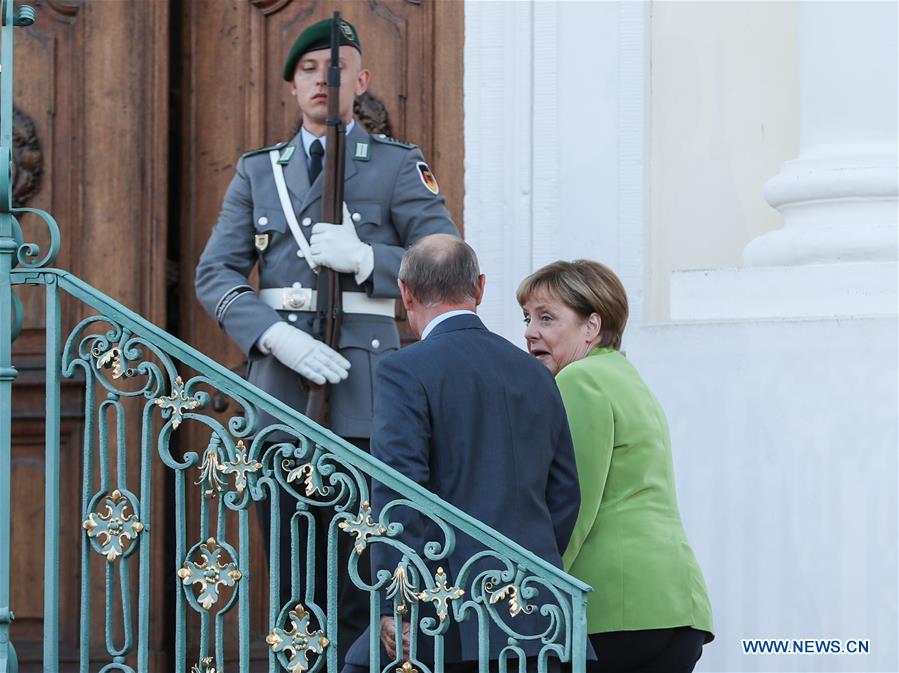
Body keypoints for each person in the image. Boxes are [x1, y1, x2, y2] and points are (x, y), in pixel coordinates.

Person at [194, 16, 459, 667]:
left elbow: (446, 260)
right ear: (291, 86)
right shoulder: (260, 173)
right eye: (308, 70)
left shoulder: (396, 166)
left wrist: (367, 256)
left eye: (333, 68)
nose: (320, 80)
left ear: (359, 81)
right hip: (281, 396)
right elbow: (215, 273)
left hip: (365, 398)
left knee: (359, 582)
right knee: (291, 582)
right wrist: (273, 336)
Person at [343, 235, 580, 673]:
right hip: (534, 612)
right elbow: (565, 494)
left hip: (447, 614)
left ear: (405, 293)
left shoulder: (402, 369)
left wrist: (397, 600)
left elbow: (399, 490)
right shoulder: (537, 372)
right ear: (480, 288)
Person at [517, 260, 714, 673]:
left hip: (619, 612)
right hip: (677, 606)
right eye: (528, 317)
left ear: (591, 327)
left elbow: (573, 505)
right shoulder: (625, 376)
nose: (530, 331)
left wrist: (530, 590)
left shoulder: (579, 379)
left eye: (547, 318)